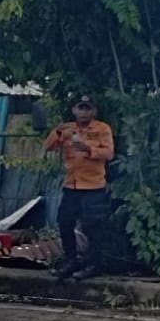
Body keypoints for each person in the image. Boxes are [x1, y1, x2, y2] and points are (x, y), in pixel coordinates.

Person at [44, 95, 115, 281]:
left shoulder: (102, 128)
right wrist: (57, 132)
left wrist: (88, 149)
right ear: (74, 110)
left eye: (87, 108)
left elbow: (109, 153)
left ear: (94, 111)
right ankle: (71, 260)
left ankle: (94, 264)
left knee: (93, 227)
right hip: (71, 185)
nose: (84, 112)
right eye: (80, 108)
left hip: (93, 187)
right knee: (65, 223)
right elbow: (48, 147)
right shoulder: (67, 129)